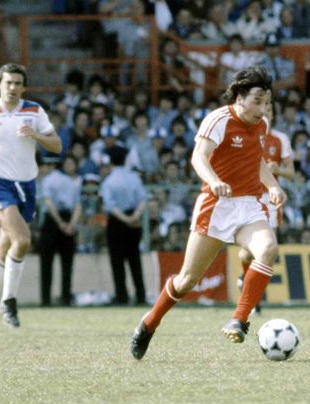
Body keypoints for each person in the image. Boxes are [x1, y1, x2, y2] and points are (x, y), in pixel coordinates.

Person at [130, 66, 286, 360]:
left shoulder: (261, 125)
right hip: (216, 206)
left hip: (249, 204)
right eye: (257, 101)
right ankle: (150, 323)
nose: (263, 109)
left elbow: (257, 161)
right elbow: (198, 156)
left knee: (268, 249)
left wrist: (273, 186)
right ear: (239, 97)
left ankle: (239, 319)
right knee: (187, 280)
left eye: (267, 102)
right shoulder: (218, 119)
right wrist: (214, 181)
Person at [0, 63, 62, 329]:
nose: (13, 87)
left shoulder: (33, 111)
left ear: (24, 87)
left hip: (26, 184)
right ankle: (9, 301)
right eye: (9, 83)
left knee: (5, 249)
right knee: (23, 240)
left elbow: (57, 145)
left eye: (18, 83)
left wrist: (37, 135)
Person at [237, 99, 294, 315]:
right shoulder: (244, 134)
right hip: (247, 197)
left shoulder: (280, 139)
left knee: (265, 250)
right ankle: (246, 280)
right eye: (263, 106)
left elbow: (292, 172)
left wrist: (278, 168)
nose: (265, 111)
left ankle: (253, 301)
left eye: (269, 107)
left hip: (269, 199)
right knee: (245, 254)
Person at [100, 145, 147, 305]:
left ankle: (122, 296)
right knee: (135, 260)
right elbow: (142, 200)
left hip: (117, 222)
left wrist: (125, 220)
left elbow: (110, 206)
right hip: (133, 218)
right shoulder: (134, 177)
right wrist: (134, 216)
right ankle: (141, 296)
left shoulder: (108, 181)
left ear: (110, 161)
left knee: (117, 262)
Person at [39, 155, 82, 306]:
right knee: (67, 264)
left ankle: (46, 299)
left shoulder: (47, 180)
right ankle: (66, 297)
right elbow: (78, 206)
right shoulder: (71, 182)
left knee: (46, 264)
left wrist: (59, 223)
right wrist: (70, 224)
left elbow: (48, 203)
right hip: (68, 219)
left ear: (50, 166)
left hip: (52, 221)